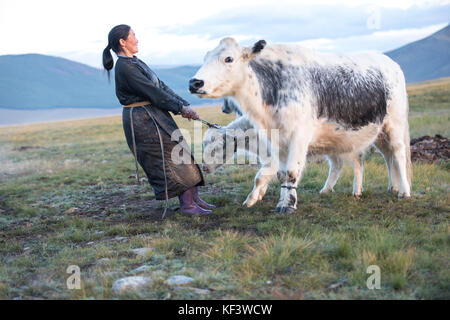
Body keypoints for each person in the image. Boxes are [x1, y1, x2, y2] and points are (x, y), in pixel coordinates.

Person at [102, 24, 214, 216]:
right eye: (133, 36)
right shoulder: (125, 67)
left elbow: (160, 86)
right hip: (143, 121)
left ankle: (194, 199)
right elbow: (153, 92)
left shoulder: (135, 62)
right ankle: (187, 206)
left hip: (155, 114)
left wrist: (183, 105)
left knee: (182, 151)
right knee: (174, 158)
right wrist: (180, 108)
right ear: (123, 42)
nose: (137, 39)